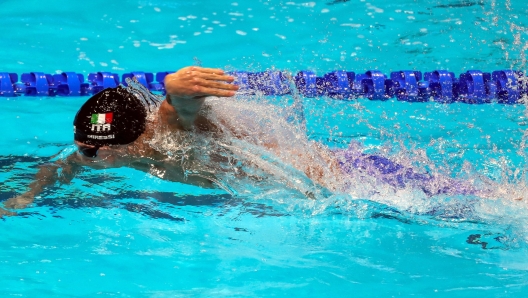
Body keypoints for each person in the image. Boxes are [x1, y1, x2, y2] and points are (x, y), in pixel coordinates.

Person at [0, 66, 491, 215]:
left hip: (356, 184)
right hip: (328, 187)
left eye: (99, 149)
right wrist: (23, 197)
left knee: (488, 207)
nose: (92, 157)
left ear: (139, 136)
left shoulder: (167, 134)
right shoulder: (99, 149)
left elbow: (180, 111)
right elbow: (63, 165)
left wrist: (174, 92)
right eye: (87, 146)